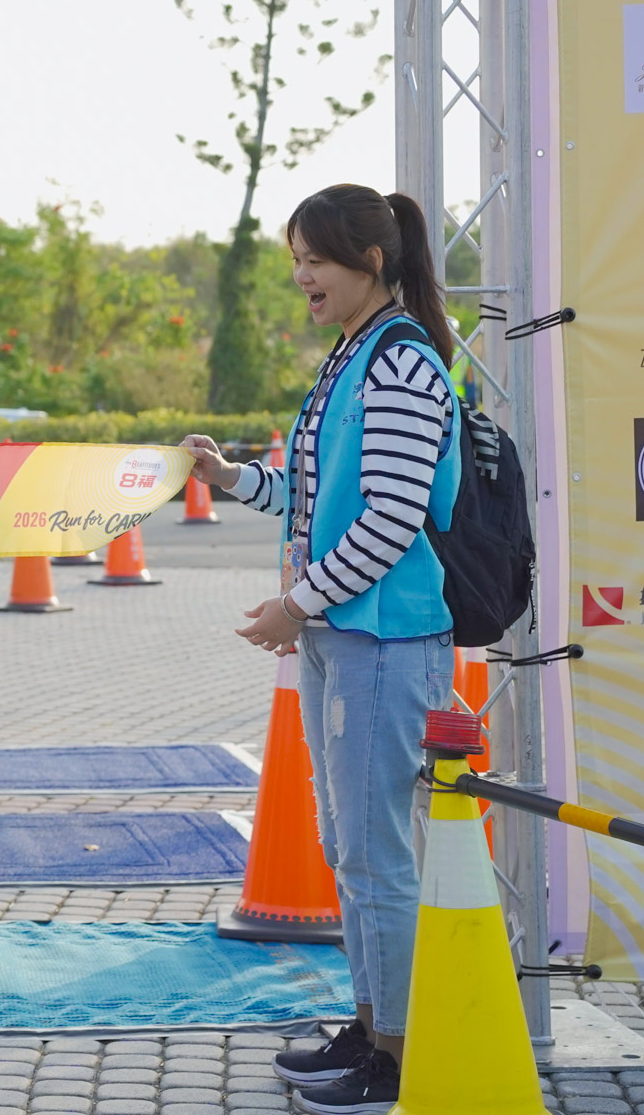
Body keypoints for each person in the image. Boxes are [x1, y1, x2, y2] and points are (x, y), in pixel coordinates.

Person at [183, 184, 461, 1115]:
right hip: (342, 636)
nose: (302, 277)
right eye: (296, 261)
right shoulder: (352, 354)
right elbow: (314, 495)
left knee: (375, 855)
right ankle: (372, 1024)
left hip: (384, 639)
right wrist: (231, 477)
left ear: (370, 263)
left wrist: (295, 606)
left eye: (316, 260)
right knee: (350, 848)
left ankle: (399, 1053)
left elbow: (390, 520)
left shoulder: (402, 362)